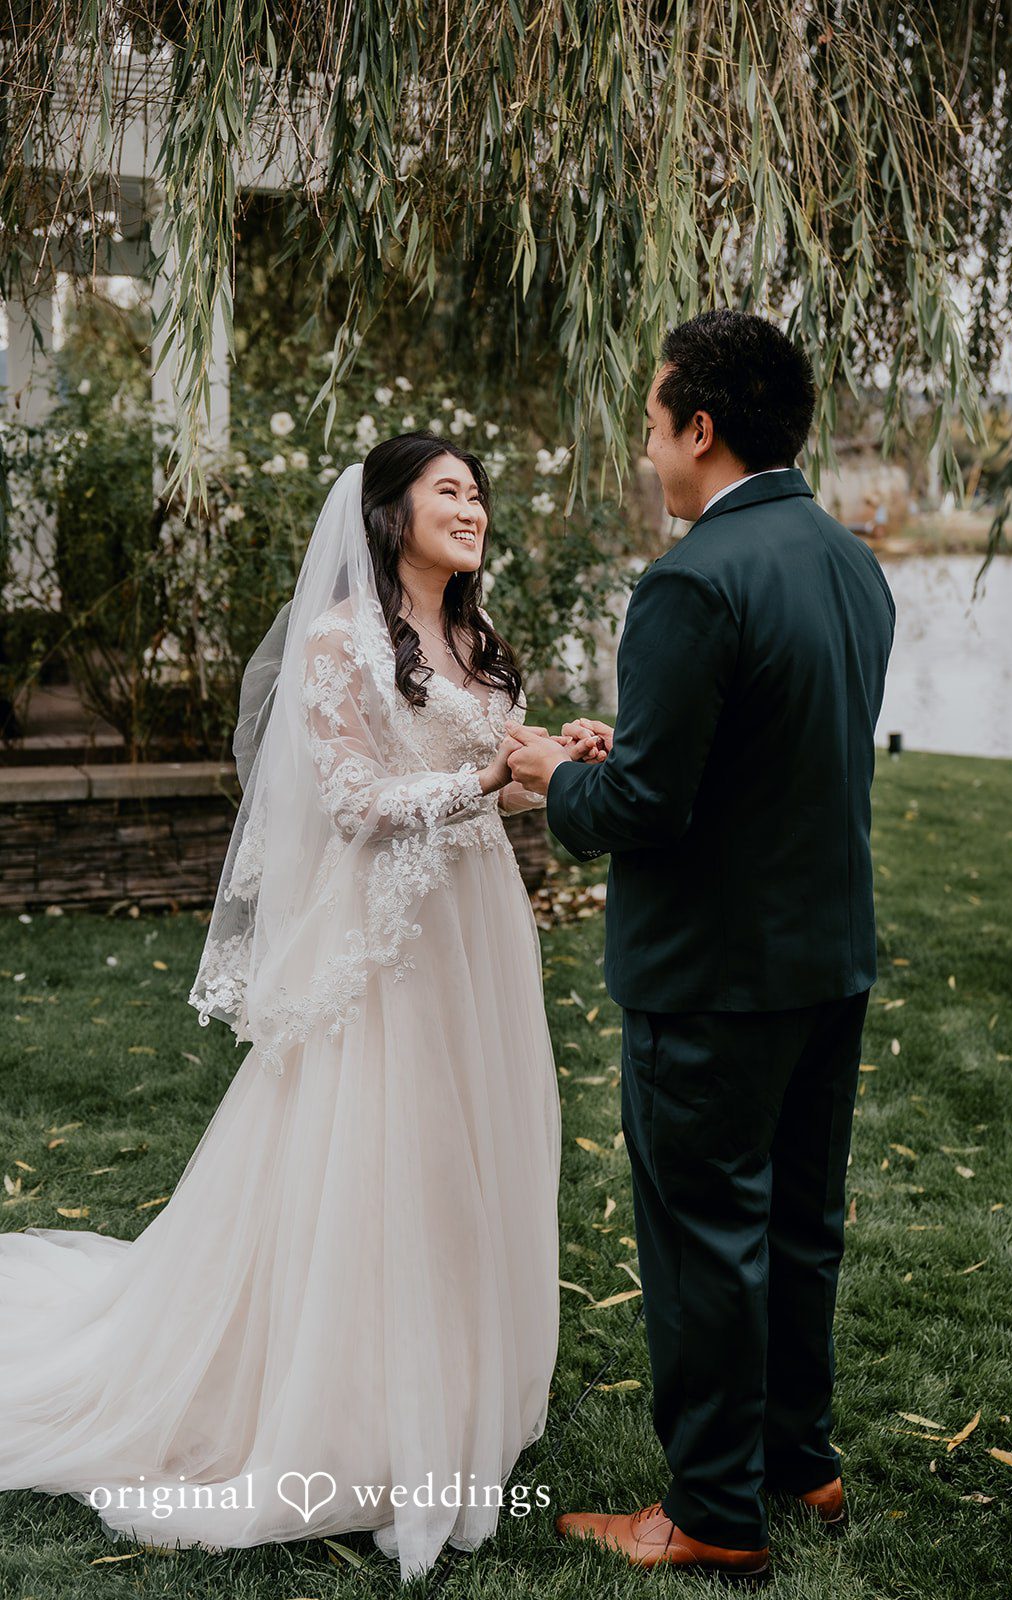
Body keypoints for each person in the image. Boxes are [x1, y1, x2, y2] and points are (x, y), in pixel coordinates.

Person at [0, 436, 589, 1581]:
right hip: (389, 947)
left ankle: (455, 1381)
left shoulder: (474, 639)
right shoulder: (337, 640)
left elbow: (486, 793)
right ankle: (350, 1406)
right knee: (384, 1156)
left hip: (477, 928)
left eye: (478, 491)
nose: (472, 507)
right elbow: (358, 803)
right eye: (448, 490)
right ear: (389, 514)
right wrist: (485, 777)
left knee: (467, 1153)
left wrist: (554, 760)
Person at [506, 309, 897, 1586]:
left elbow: (644, 811)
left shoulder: (689, 578)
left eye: (651, 422)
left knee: (703, 1239)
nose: (645, 449)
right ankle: (798, 1460)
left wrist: (552, 776)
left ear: (701, 429)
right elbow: (771, 753)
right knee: (798, 1224)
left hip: (712, 977)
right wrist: (634, 749)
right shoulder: (848, 561)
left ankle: (714, 1509)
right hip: (824, 957)